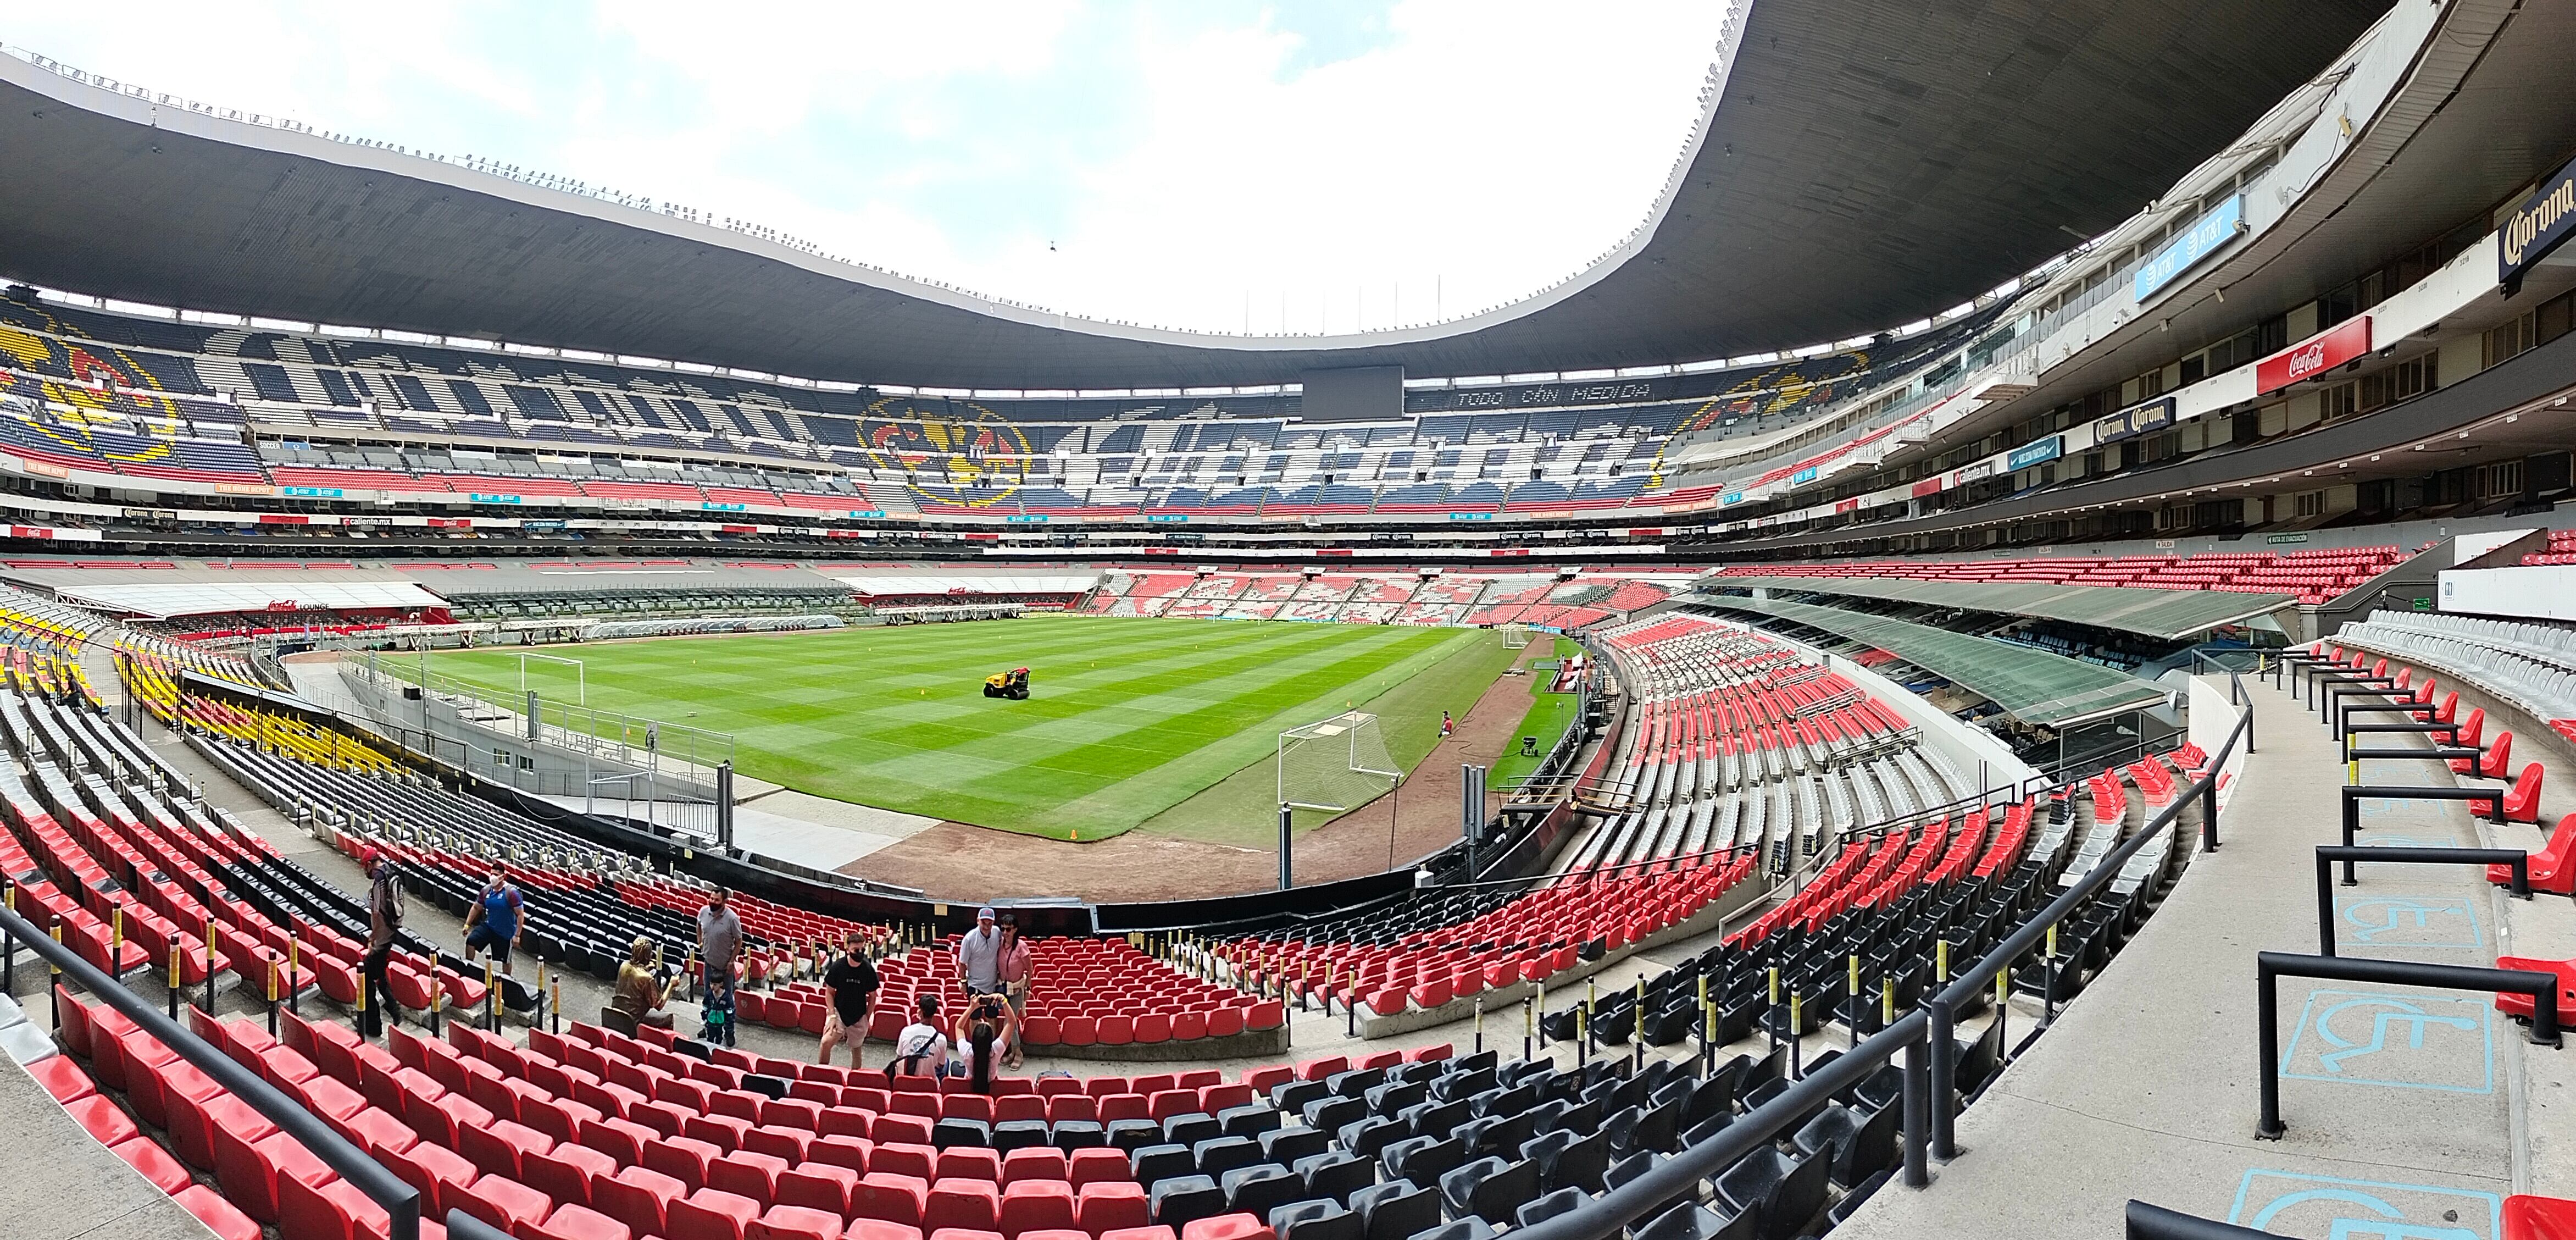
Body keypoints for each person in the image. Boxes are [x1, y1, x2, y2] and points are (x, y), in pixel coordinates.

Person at [820, 932, 879, 1068]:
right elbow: (829, 992)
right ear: (848, 949)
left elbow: (873, 996)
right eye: (856, 950)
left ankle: (854, 1080)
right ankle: (821, 1072)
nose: (860, 953)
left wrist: (867, 1017)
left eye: (862, 950)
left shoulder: (868, 969)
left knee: (857, 1050)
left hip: (859, 1015)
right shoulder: (838, 967)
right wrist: (832, 1015)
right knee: (825, 1042)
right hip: (839, 1012)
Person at [360, 849, 402, 1039]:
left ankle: (373, 1026)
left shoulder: (379, 880)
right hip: (390, 934)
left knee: (366, 976)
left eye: (365, 868)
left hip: (382, 938)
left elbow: (377, 913)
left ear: (370, 864)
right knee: (379, 973)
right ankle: (395, 1012)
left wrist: (372, 938)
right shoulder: (390, 872)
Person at [697, 887, 743, 1047]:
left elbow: (739, 941)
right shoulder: (703, 912)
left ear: (725, 902)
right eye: (711, 898)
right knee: (708, 997)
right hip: (709, 964)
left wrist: (732, 961)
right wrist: (700, 942)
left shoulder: (732, 919)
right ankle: (708, 1026)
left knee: (727, 1000)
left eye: (717, 900)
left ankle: (729, 1031)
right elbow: (698, 925)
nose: (712, 902)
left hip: (726, 968)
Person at [951, 991, 1015, 1093]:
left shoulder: (966, 1051)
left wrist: (972, 1008)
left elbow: (958, 1027)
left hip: (971, 1078)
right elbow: (1011, 1022)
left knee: (954, 1065)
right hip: (990, 1082)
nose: (983, 1019)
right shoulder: (997, 1050)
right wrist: (1003, 1000)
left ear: (973, 1039)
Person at [463, 872, 523, 977]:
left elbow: (520, 914)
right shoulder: (486, 890)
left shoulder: (512, 892)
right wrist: (467, 924)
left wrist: (517, 935)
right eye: (492, 873)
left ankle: (507, 981)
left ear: (502, 877)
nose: (493, 877)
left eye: (496, 874)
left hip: (505, 932)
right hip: (489, 926)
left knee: (506, 960)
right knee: (471, 941)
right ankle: (469, 969)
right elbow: (476, 907)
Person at [612, 937, 677, 1031]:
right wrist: (671, 985)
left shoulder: (624, 966)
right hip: (633, 1019)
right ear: (647, 956)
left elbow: (634, 972)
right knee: (668, 1017)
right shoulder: (647, 978)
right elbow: (659, 1005)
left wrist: (645, 968)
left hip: (616, 1012)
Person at [994, 915, 1032, 1069]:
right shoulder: (1000, 944)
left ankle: (1017, 1053)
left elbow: (1029, 969)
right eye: (1003, 929)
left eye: (1008, 929)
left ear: (1015, 929)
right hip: (1004, 989)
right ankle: (1014, 1052)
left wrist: (1028, 988)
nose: (1005, 932)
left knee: (1010, 1021)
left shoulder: (1021, 946)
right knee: (1010, 1022)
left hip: (1016, 990)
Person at [889, 995, 948, 1079]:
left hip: (906, 1079)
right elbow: (941, 1065)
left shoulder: (906, 1031)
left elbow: (899, 1057)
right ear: (935, 1012)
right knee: (947, 1061)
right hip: (929, 1083)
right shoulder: (942, 1039)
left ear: (919, 1011)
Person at [957, 906, 1004, 999]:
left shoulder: (997, 932)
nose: (986, 927)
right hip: (975, 985)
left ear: (993, 923)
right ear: (978, 921)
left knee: (993, 1013)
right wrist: (963, 982)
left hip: (993, 986)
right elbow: (962, 963)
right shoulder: (969, 939)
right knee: (975, 1013)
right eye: (983, 923)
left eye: (990, 923)